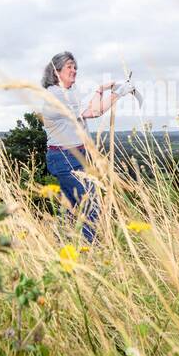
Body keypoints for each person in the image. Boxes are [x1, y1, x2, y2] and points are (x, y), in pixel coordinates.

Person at [37, 52, 123, 242]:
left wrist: (102, 90)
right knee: (90, 204)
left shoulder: (67, 94)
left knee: (73, 207)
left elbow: (92, 109)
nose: (74, 70)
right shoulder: (57, 95)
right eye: (69, 66)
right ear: (56, 71)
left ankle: (64, 246)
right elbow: (94, 111)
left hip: (73, 156)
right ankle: (88, 251)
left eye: (75, 67)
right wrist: (118, 93)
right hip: (65, 158)